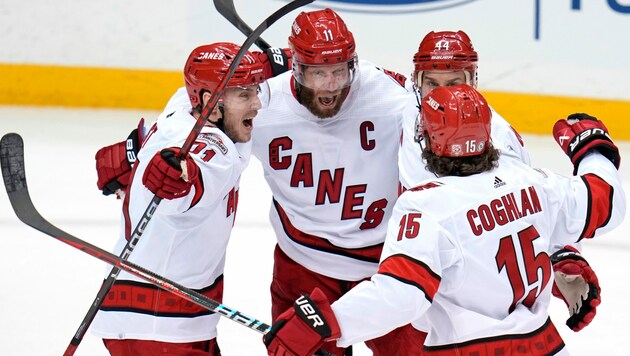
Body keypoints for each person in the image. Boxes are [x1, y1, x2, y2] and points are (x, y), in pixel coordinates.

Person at [263, 84, 625, 356]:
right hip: (546, 346)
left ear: (430, 141)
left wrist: (327, 321)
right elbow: (604, 202)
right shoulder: (535, 182)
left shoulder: (428, 208)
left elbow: (401, 294)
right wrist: (594, 150)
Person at [400, 30, 603, 335]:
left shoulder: (494, 139)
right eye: (432, 83)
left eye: (453, 83)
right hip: (420, 273)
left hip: (461, 299)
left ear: (472, 82)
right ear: (417, 82)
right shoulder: (412, 106)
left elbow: (528, 206)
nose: (440, 94)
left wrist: (559, 255)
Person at [249, 8, 426, 355]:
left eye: (339, 72)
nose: (330, 86)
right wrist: (145, 155)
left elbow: (466, 119)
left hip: (387, 270)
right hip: (303, 266)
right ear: (296, 67)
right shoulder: (264, 104)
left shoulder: (390, 96)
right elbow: (201, 111)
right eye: (318, 73)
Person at [90, 42, 265, 356]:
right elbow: (191, 179)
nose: (257, 104)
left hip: (168, 312)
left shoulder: (181, 104)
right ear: (211, 103)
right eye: (244, 95)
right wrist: (178, 178)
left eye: (255, 91)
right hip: (158, 324)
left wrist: (135, 148)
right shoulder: (216, 151)